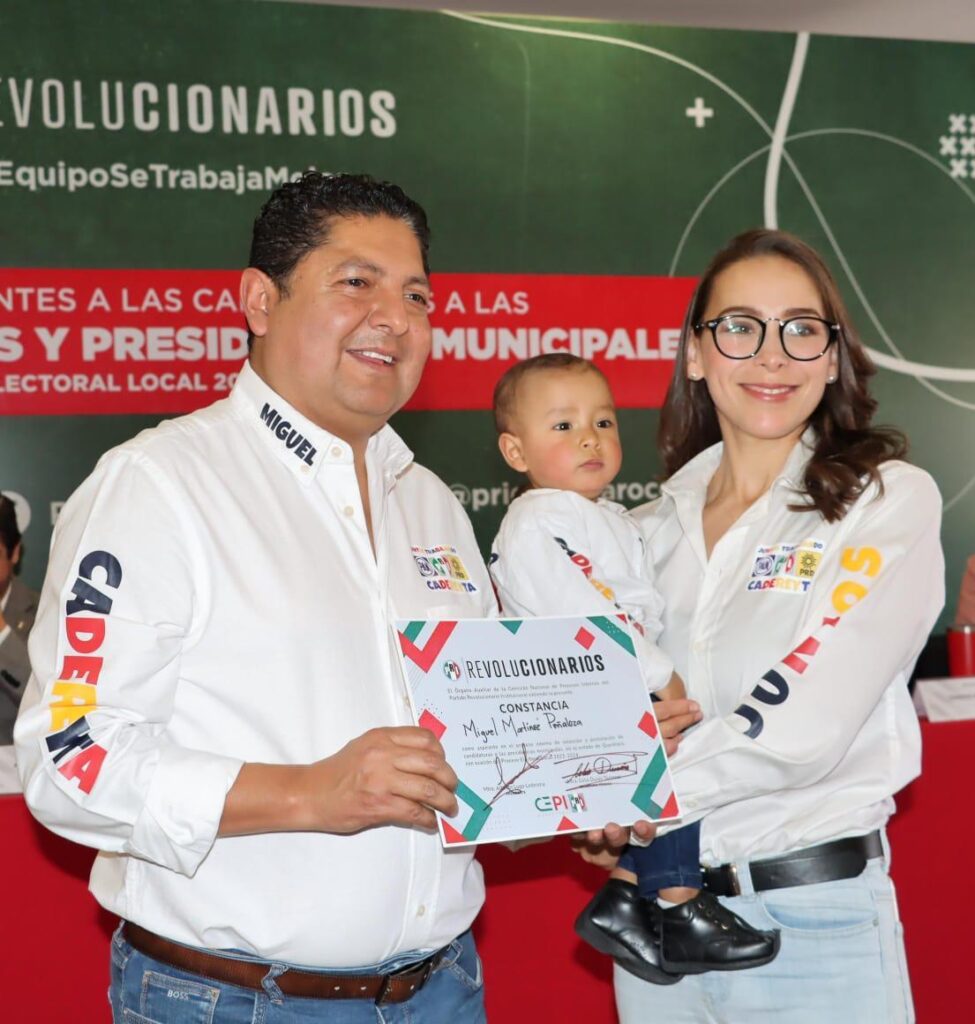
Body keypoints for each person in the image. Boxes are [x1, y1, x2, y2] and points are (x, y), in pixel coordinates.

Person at [15, 172, 499, 1023]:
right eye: (356, 282)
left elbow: (477, 738)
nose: (394, 317)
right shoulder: (159, 484)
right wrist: (309, 792)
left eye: (416, 295)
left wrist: (582, 780)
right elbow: (72, 761)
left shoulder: (430, 502)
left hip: (443, 988)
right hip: (234, 1001)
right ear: (259, 302)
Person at [581, 228, 943, 1023]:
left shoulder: (882, 502)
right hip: (655, 939)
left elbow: (802, 726)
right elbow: (598, 708)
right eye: (739, 327)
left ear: (831, 357)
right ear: (694, 353)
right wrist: (587, 794)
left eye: (800, 329)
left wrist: (641, 792)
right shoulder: (638, 534)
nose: (771, 356)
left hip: (813, 931)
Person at [488, 353, 778, 983]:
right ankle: (677, 903)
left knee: (666, 769)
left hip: (609, 680)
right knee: (676, 764)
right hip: (580, 685)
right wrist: (656, 672)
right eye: (563, 426)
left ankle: (624, 893)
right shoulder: (537, 519)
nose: (590, 438)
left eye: (604, 422)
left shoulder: (610, 517)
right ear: (516, 451)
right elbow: (582, 614)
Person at [1, 493, 38, 788]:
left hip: (19, 785)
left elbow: (45, 695)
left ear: (15, 552)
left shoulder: (44, 612)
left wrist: (2, 633)